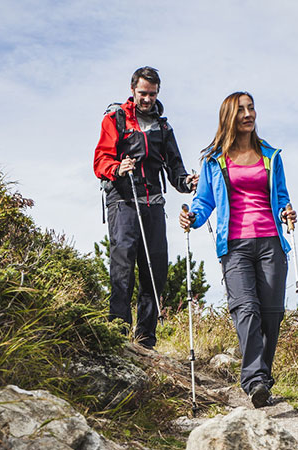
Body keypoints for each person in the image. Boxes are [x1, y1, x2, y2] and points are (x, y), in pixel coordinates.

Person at [179, 91, 297, 407]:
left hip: (272, 241)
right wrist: (192, 216)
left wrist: (287, 211)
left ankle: (263, 379)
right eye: (241, 109)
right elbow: (204, 201)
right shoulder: (214, 160)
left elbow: (281, 195)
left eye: (251, 107)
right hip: (235, 245)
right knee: (245, 309)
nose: (248, 114)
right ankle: (256, 381)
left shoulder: (271, 156)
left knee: (272, 314)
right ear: (229, 116)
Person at [94, 66, 197, 349]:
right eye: (142, 93)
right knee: (123, 267)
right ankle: (117, 334)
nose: (147, 99)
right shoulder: (115, 119)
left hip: (154, 205)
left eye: (152, 94)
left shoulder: (163, 128)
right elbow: (100, 161)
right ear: (132, 91)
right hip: (123, 203)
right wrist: (118, 167)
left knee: (155, 272)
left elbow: (176, 169)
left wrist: (188, 181)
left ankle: (146, 340)